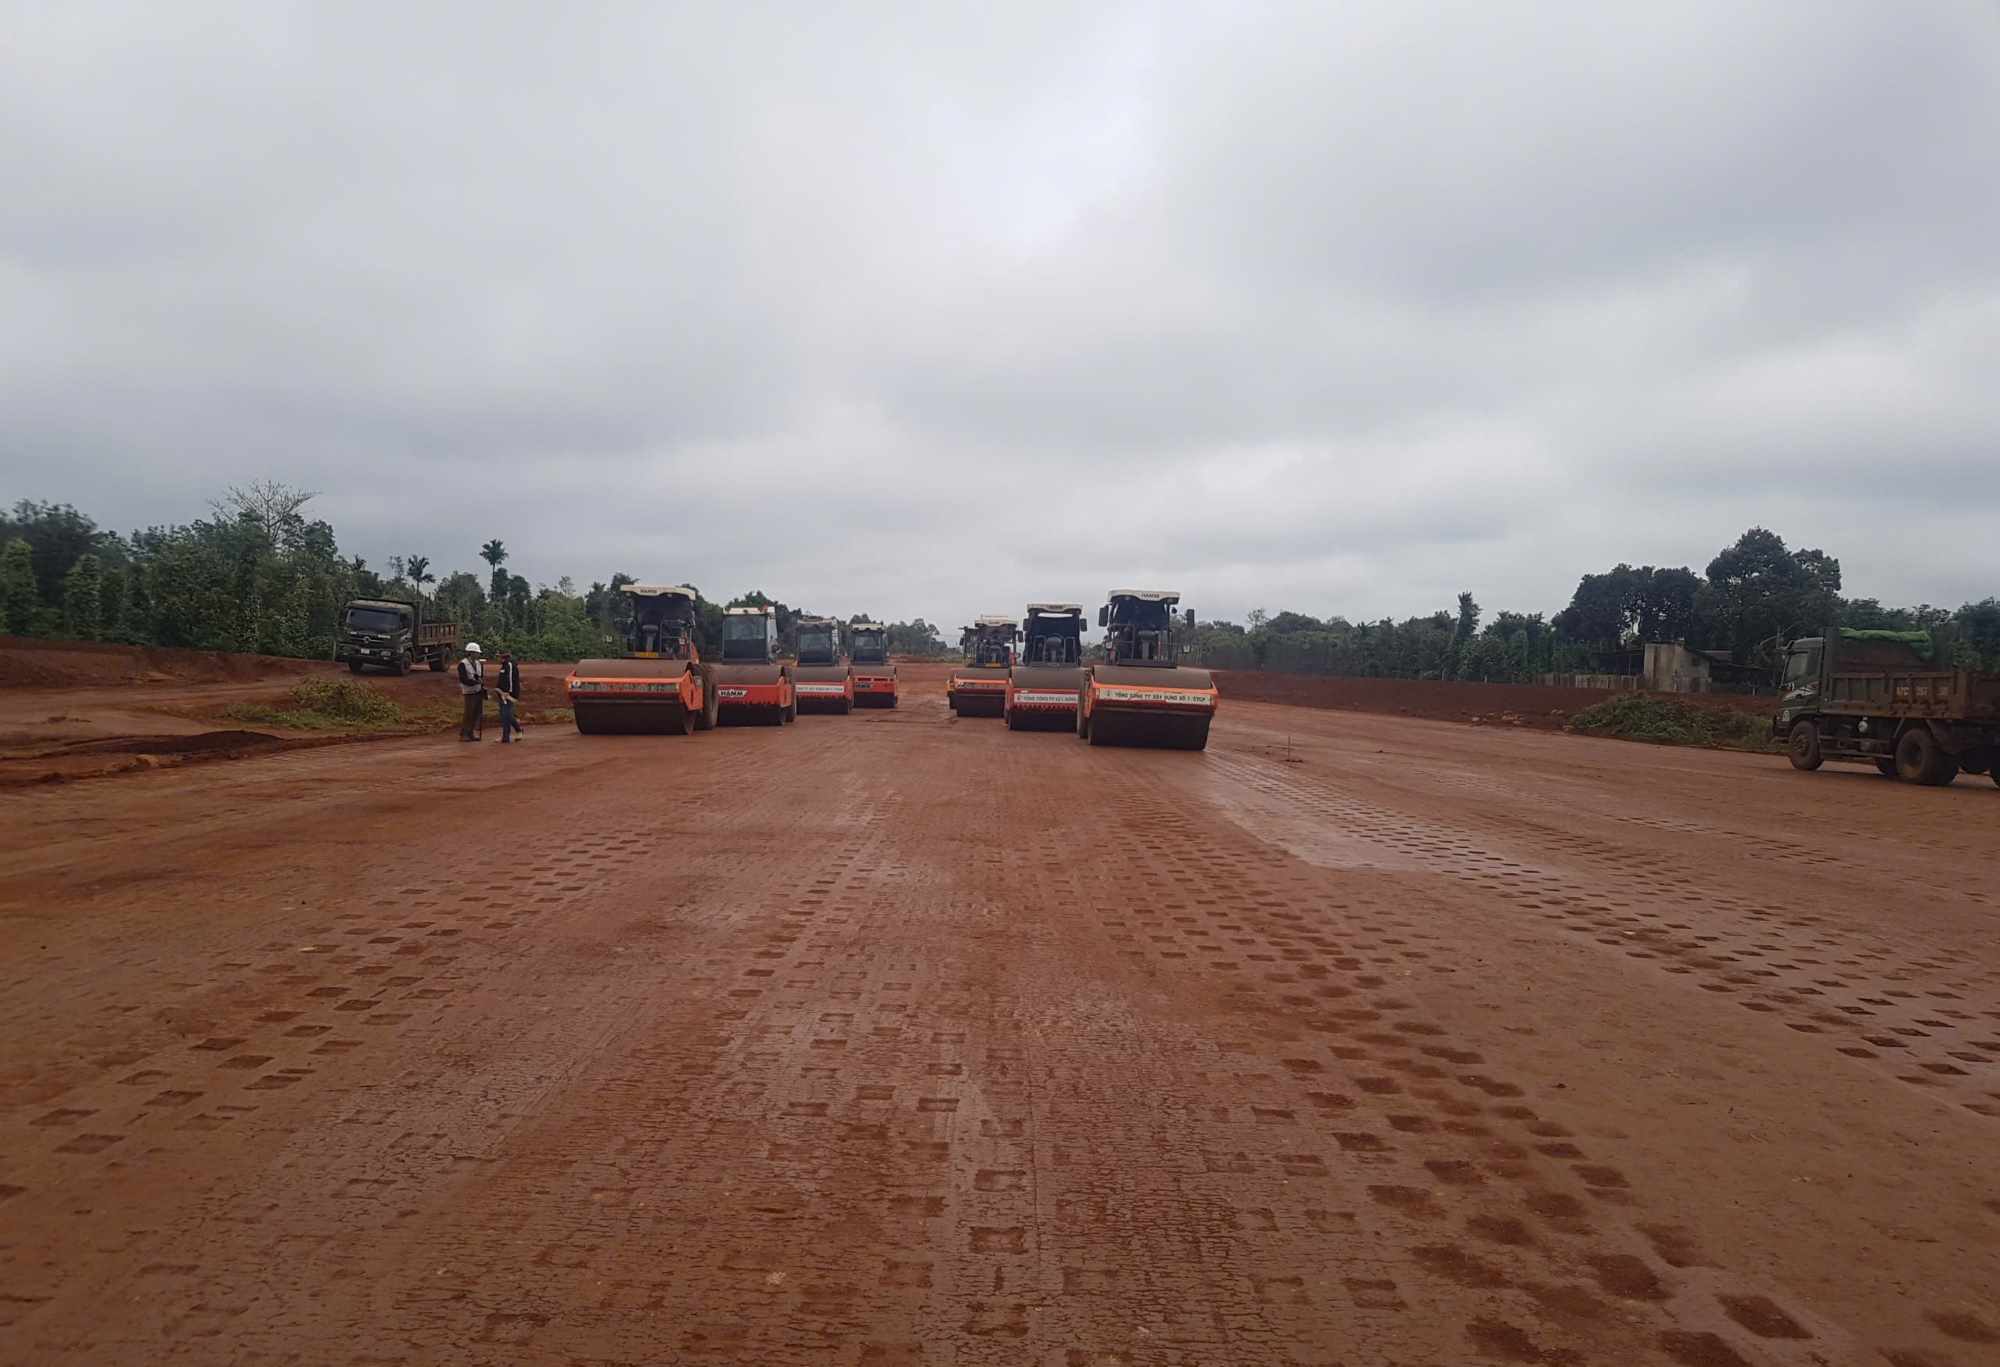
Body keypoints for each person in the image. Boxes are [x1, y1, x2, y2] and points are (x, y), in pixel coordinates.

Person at [456, 642, 485, 742]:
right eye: (476, 653)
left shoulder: (478, 664)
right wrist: (476, 682)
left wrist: (480, 683)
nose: (478, 654)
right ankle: (464, 734)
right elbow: (463, 679)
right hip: (469, 692)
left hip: (478, 691)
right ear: (471, 653)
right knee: (468, 713)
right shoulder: (462, 664)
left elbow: (481, 677)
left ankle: (470, 733)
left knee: (476, 713)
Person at [495, 650, 523, 743]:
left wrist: (507, 693)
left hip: (508, 695)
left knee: (505, 715)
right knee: (506, 714)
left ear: (503, 657)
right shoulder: (504, 666)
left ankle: (505, 737)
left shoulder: (510, 665)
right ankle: (518, 730)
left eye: (499, 656)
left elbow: (511, 680)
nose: (497, 658)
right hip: (502, 693)